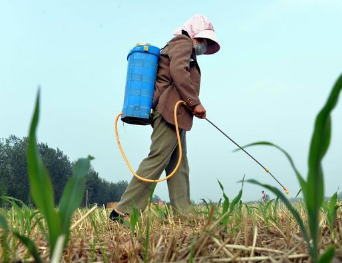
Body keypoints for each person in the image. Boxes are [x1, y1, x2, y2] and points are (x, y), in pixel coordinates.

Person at [110, 14, 220, 221]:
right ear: (194, 34)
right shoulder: (182, 42)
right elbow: (178, 71)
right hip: (169, 111)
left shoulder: (185, 48)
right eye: (204, 40)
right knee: (158, 158)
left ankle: (184, 213)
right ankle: (123, 211)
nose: (205, 45)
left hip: (177, 114)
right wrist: (194, 102)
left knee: (178, 164)